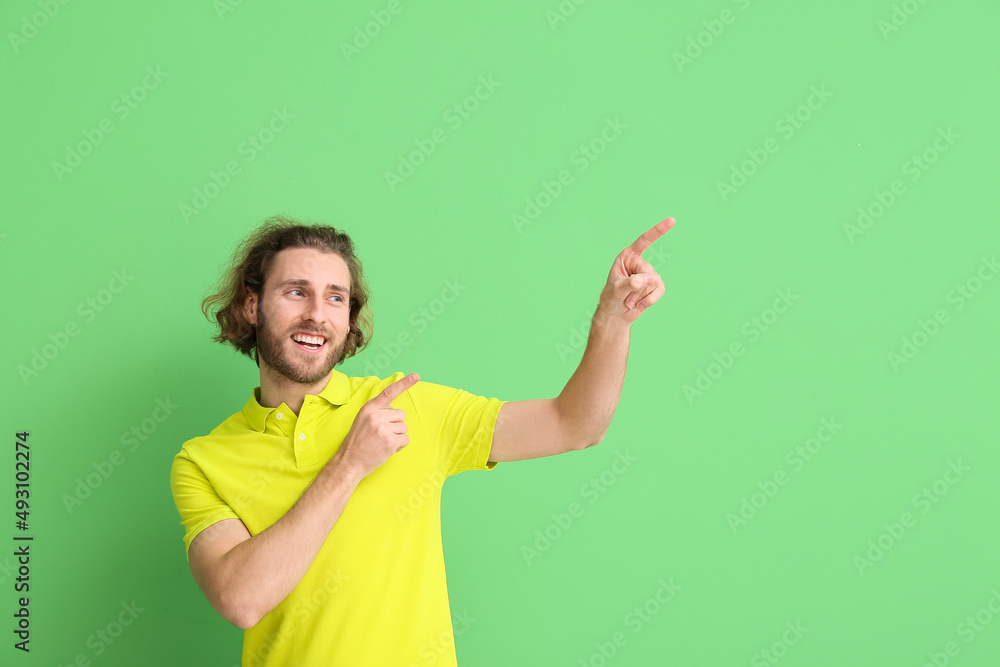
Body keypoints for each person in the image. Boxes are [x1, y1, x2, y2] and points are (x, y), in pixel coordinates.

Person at [169, 214, 673, 666]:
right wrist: (349, 465)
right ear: (253, 305)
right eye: (296, 292)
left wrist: (613, 321)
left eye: (336, 298)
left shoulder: (407, 405)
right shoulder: (203, 460)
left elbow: (574, 425)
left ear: (348, 319)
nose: (318, 315)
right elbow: (242, 600)